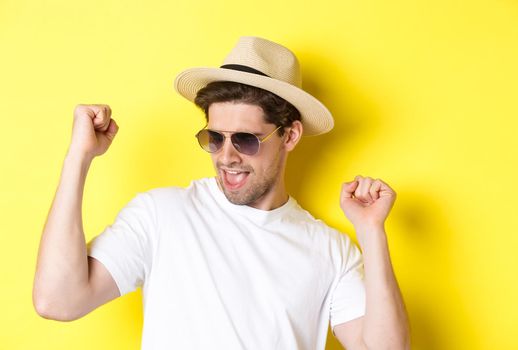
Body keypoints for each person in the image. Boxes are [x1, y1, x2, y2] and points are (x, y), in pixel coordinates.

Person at [33, 36, 409, 349]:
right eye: (214, 138)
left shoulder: (329, 249)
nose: (226, 157)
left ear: (290, 135)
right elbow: (57, 300)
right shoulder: (161, 216)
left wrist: (371, 233)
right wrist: (79, 157)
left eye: (245, 139)